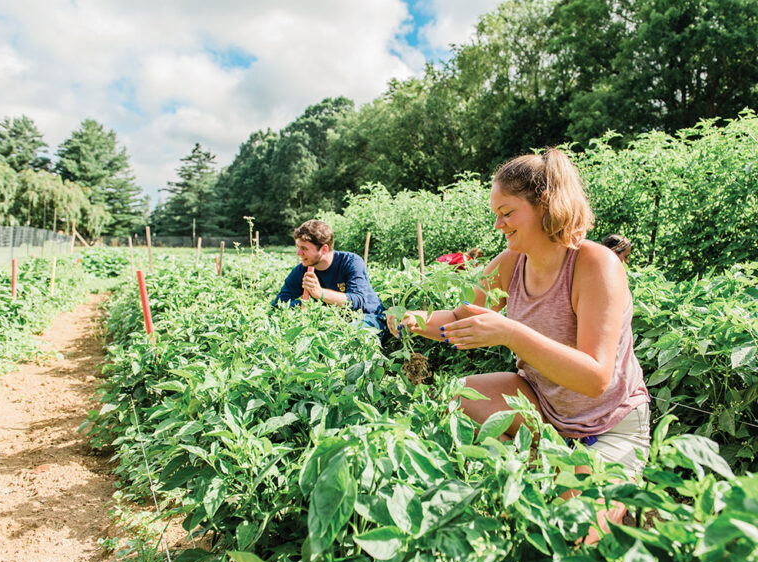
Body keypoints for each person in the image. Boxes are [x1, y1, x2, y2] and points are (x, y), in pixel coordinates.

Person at [387, 148, 649, 539]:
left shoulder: (595, 264)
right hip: (545, 406)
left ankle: (583, 482)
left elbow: (596, 377)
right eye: (496, 214)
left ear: (544, 205)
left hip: (610, 422)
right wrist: (413, 320)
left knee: (576, 537)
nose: (498, 224)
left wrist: (510, 332)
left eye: (507, 213)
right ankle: (549, 467)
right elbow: (462, 318)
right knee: (462, 394)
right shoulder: (511, 263)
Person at [272, 219, 387, 337]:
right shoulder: (301, 270)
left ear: (324, 249)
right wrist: (306, 305)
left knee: (348, 334)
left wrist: (320, 294)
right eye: (298, 247)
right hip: (335, 322)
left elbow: (358, 300)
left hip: (368, 317)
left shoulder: (351, 262)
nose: (298, 253)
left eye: (304, 248)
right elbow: (279, 305)